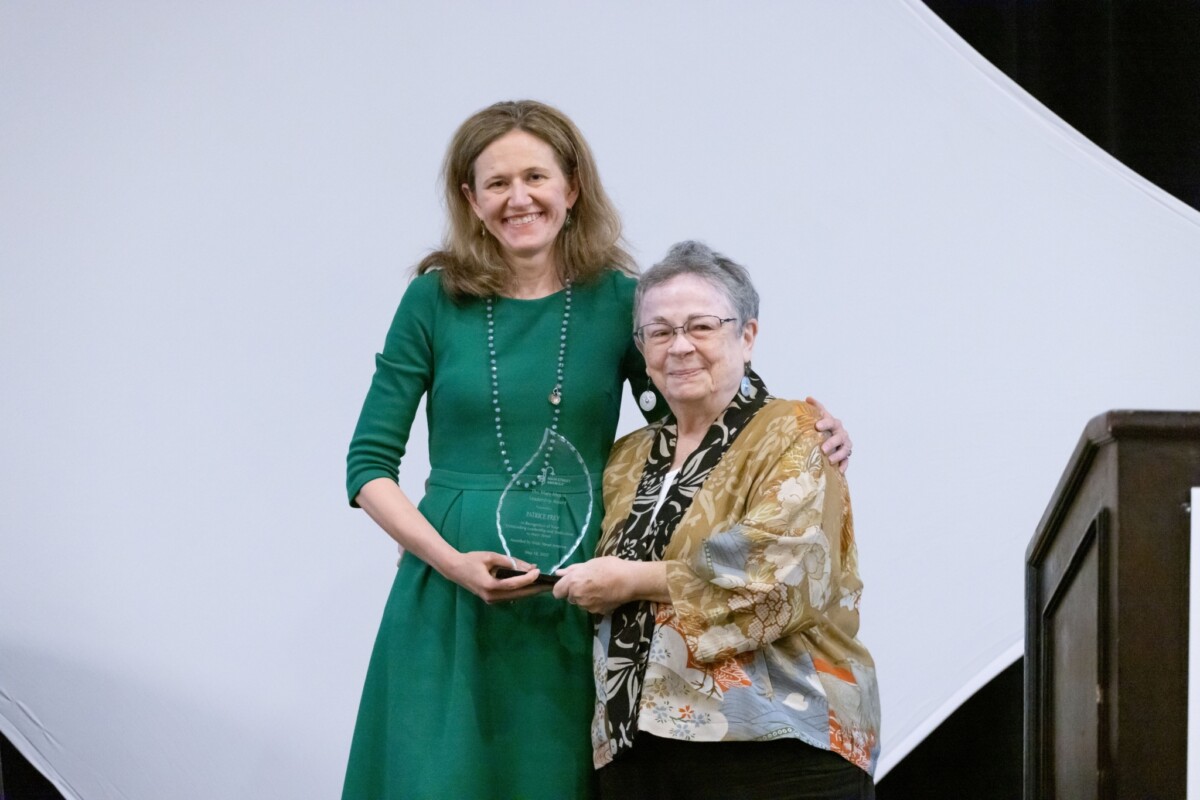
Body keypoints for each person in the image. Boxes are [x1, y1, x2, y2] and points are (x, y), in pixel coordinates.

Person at [342, 102, 855, 799]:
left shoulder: (621, 300)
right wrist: (450, 563)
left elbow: (695, 410)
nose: (517, 198)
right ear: (470, 198)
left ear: (572, 187)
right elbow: (368, 464)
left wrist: (796, 425)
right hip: (448, 579)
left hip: (573, 582)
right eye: (496, 183)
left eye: (535, 177)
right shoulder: (432, 300)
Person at [553, 241, 880, 800]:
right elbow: (572, 552)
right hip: (636, 749)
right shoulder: (626, 457)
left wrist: (633, 581)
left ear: (747, 336)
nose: (679, 346)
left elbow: (779, 572)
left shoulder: (796, 432)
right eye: (659, 332)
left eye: (700, 326)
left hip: (777, 748)